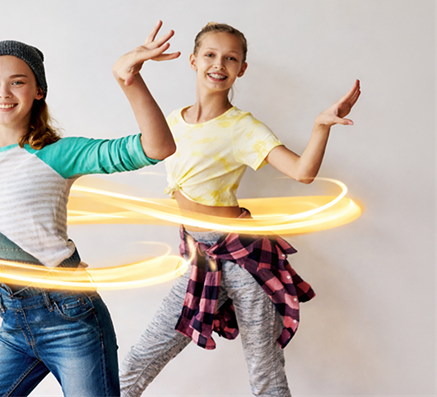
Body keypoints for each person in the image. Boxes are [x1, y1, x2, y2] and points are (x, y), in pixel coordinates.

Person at [119, 22, 361, 396]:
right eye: (211, 55)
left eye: (231, 58)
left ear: (241, 69)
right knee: (140, 358)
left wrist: (320, 127)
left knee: (264, 372)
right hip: (201, 257)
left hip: (245, 257)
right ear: (194, 60)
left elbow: (302, 172)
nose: (220, 64)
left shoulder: (243, 128)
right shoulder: (172, 121)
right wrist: (131, 73)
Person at [0, 22, 179, 397]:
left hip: (71, 320)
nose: (3, 92)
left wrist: (130, 81)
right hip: (13, 325)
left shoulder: (59, 153)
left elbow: (157, 147)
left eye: (18, 81)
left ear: (39, 90)